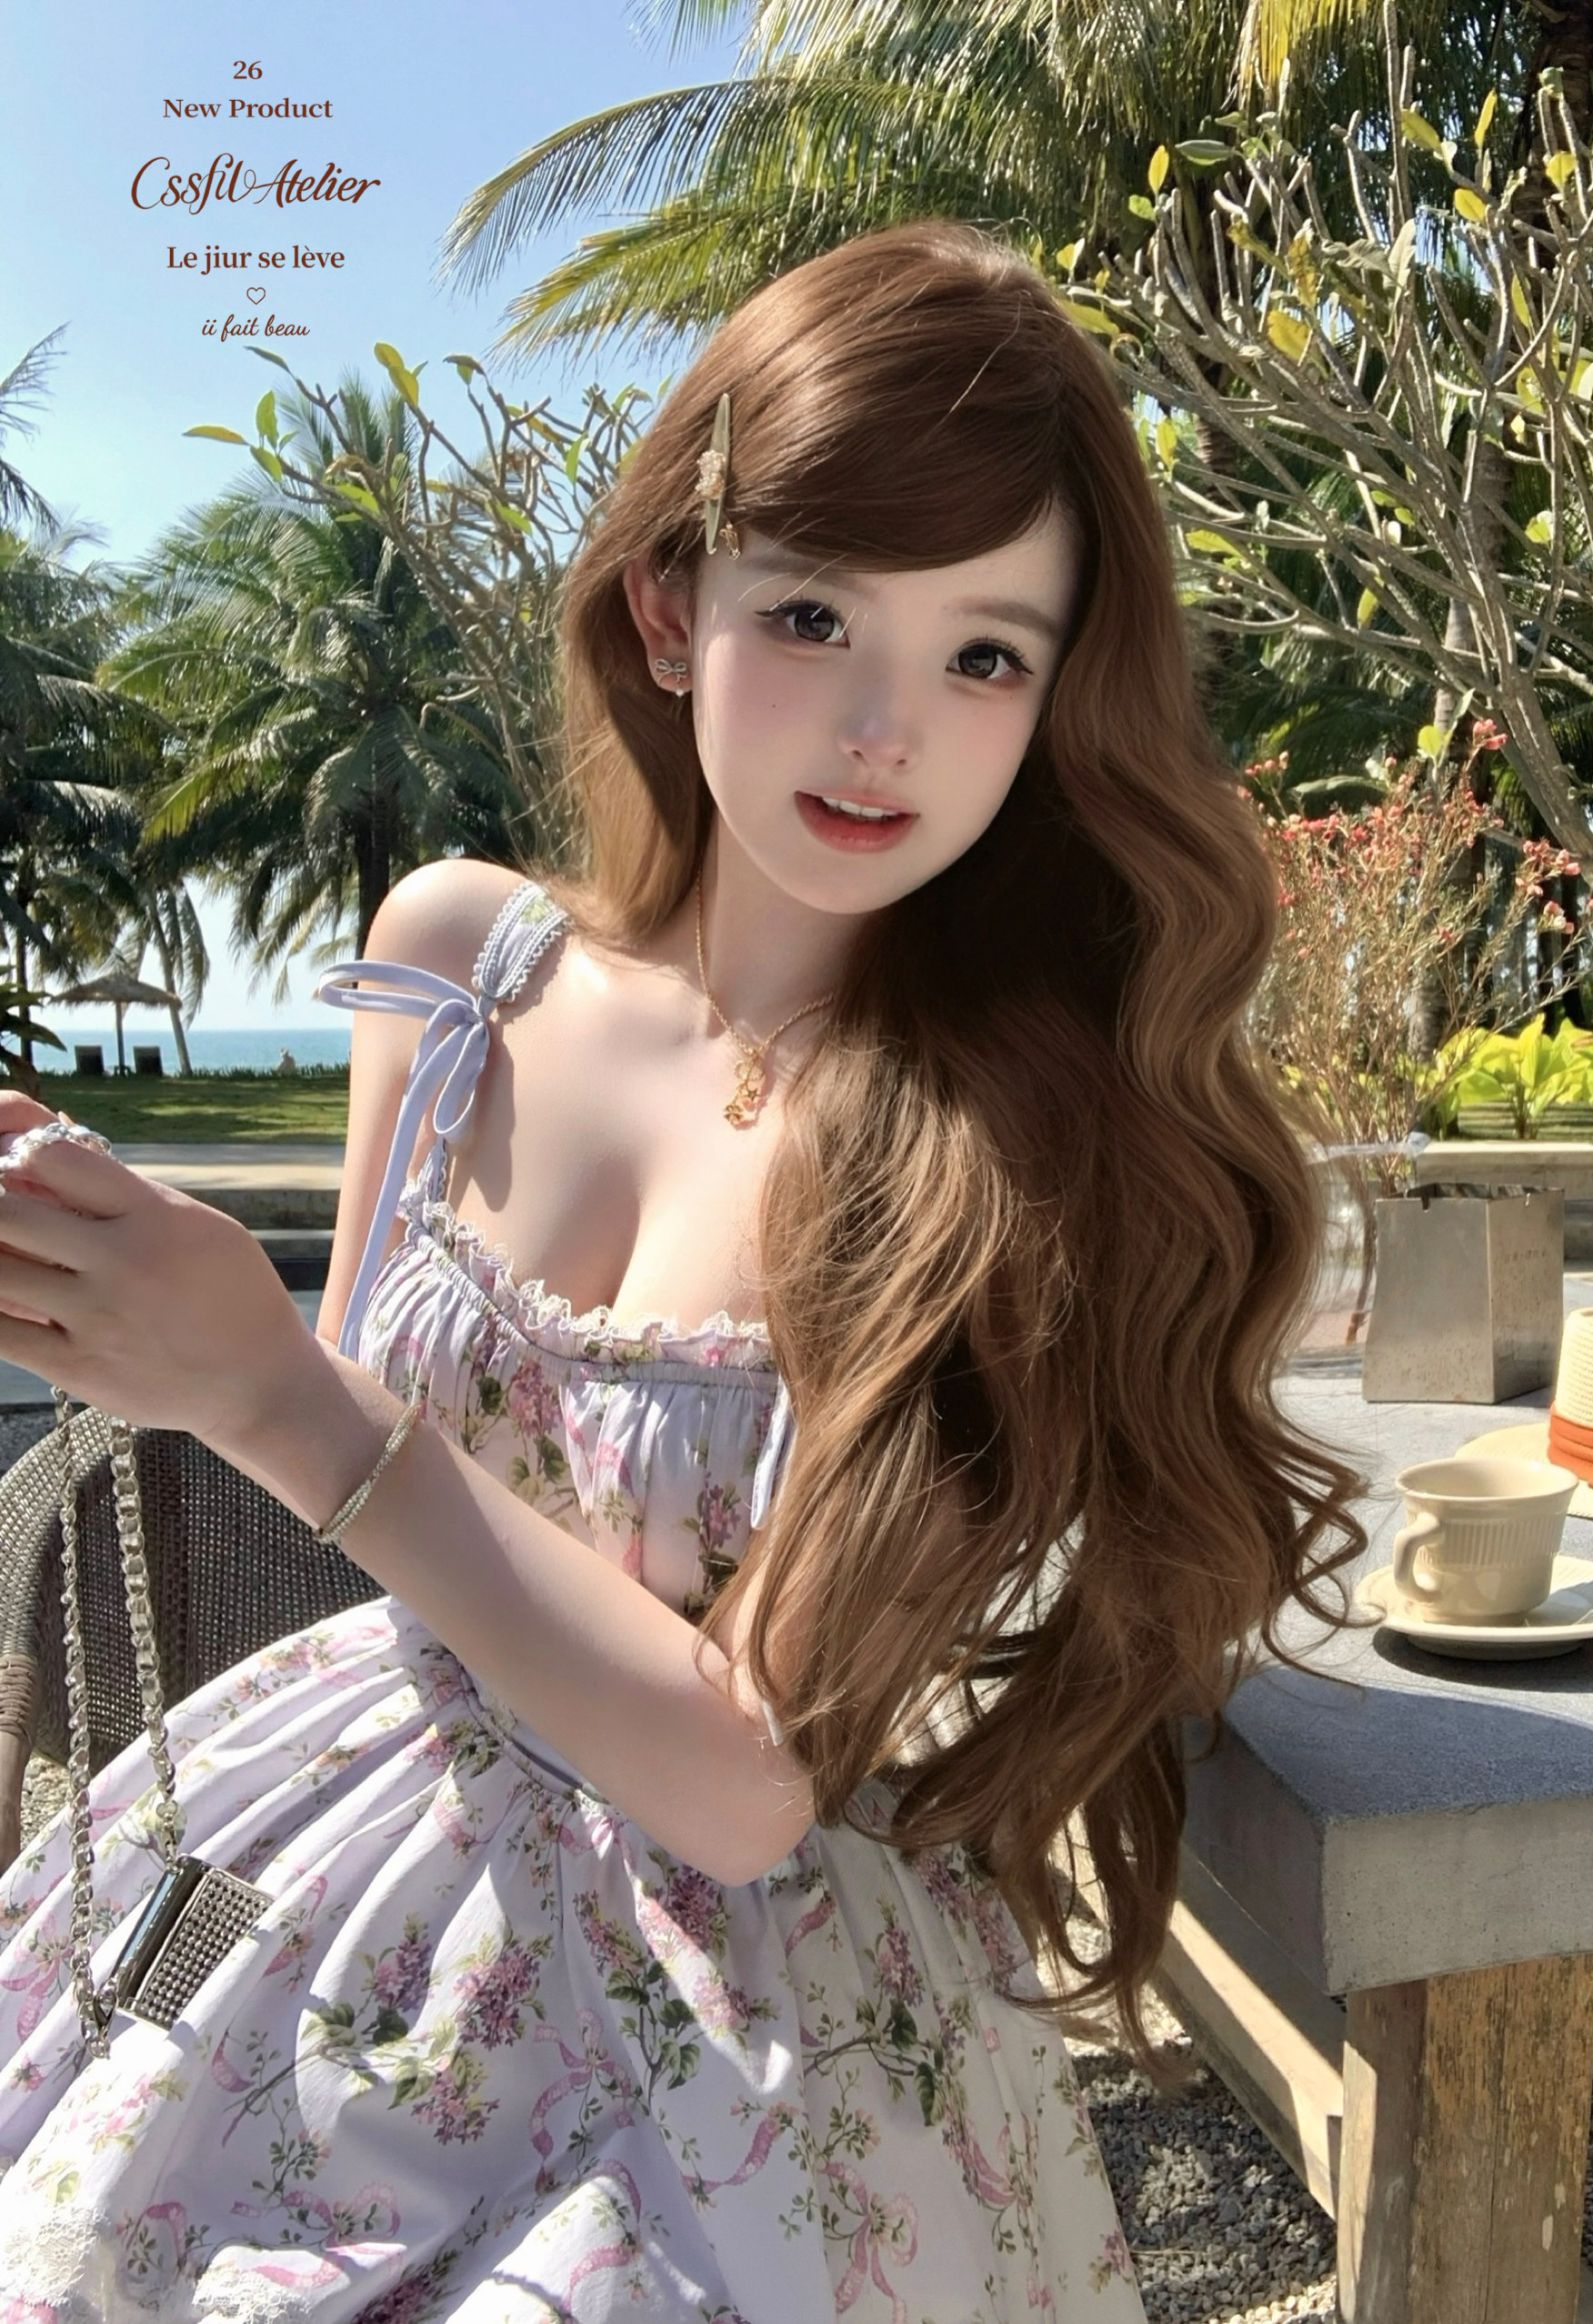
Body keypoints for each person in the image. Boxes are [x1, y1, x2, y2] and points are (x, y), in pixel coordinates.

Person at [0, 223, 1360, 2319]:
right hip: (325, 1832)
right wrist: (132, 1303)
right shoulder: (459, 962)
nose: (887, 728)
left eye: (988, 655)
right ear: (667, 603)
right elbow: (355, 1473)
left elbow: (745, 1780)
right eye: (814, 615)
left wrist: (265, 1389)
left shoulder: (1001, 1151)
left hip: (744, 2009)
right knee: (78, 2198)